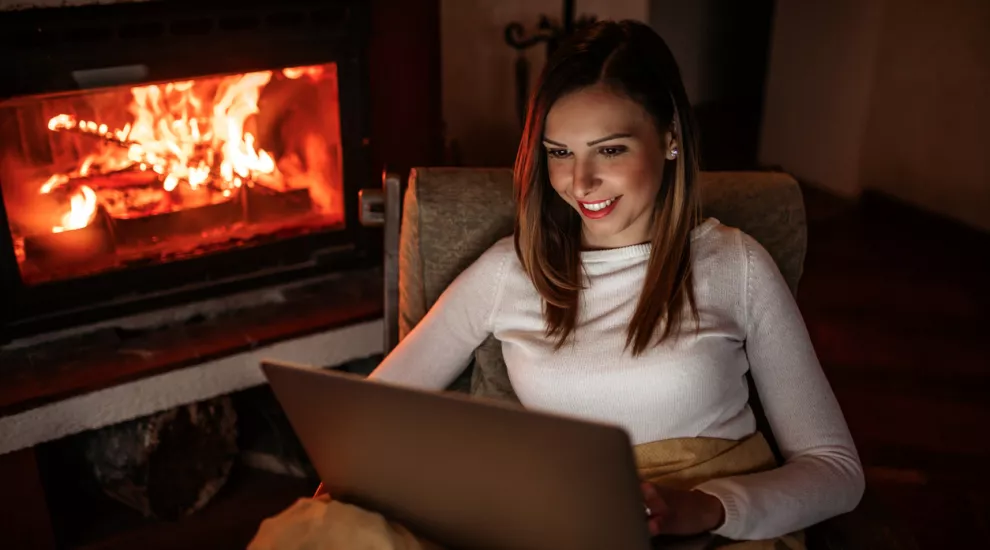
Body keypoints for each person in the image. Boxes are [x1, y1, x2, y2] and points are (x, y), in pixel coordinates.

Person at [369, 19, 864, 543]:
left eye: (610, 150)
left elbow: (836, 471)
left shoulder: (734, 265)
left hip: (716, 538)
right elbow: (371, 416)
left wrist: (704, 508)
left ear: (670, 138)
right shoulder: (507, 271)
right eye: (560, 152)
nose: (580, 183)